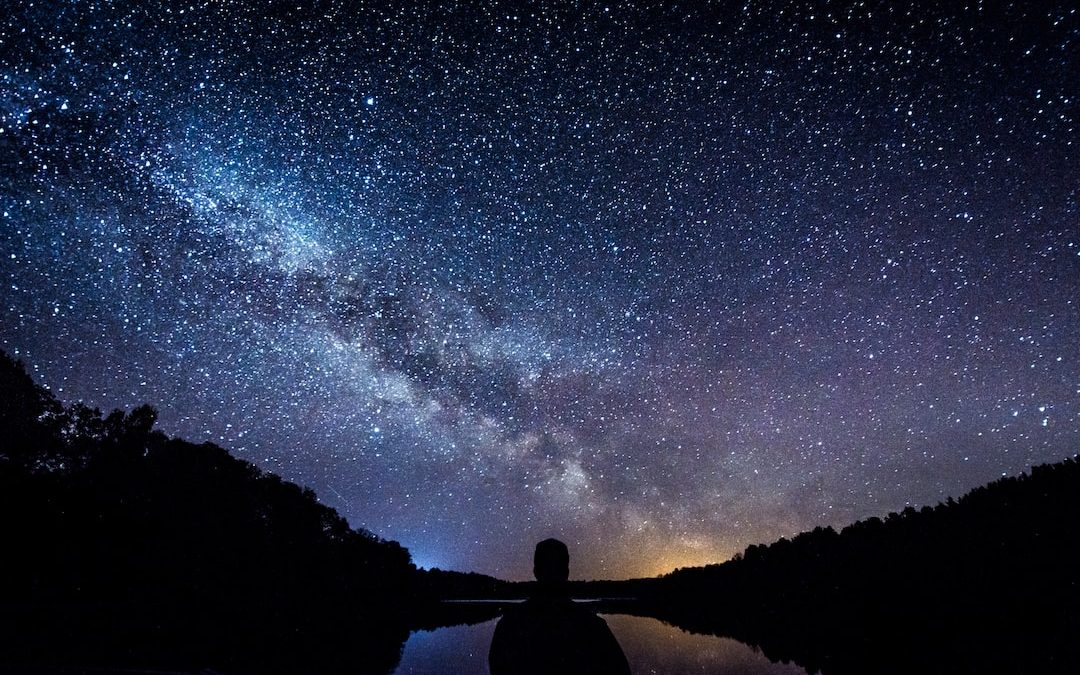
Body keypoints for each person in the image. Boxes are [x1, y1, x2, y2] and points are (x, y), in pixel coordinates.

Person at [488, 538, 631, 675]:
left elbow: (497, 667)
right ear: (566, 573)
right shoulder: (592, 625)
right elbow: (621, 670)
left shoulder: (509, 624)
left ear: (536, 572)